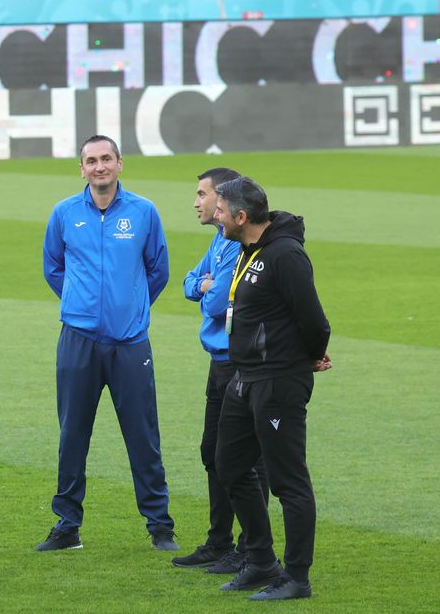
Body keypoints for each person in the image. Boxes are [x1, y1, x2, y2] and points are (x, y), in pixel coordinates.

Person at [38, 135, 177, 553]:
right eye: (90, 161)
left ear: (120, 164)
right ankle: (67, 525)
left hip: (130, 343)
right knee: (72, 435)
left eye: (106, 159)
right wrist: (83, 305)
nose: (99, 167)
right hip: (77, 340)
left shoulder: (143, 211)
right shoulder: (64, 213)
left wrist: (128, 307)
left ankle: (160, 526)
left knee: (143, 435)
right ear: (81, 168)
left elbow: (158, 270)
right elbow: (53, 268)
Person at [212, 176, 331, 601]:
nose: (216, 216)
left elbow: (315, 321)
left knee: (288, 481)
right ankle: (261, 559)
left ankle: (296, 577)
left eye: (221, 211)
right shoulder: (249, 249)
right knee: (228, 465)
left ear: (242, 217)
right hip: (245, 378)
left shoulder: (285, 256)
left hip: (278, 381)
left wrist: (312, 355)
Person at [173, 168, 271, 574]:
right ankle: (221, 542)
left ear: (224, 201)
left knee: (240, 458)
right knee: (214, 453)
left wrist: (206, 290)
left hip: (238, 363)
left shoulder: (236, 246)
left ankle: (249, 550)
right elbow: (188, 283)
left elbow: (218, 305)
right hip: (219, 362)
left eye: (202, 194)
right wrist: (202, 286)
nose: (196, 202)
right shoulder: (219, 239)